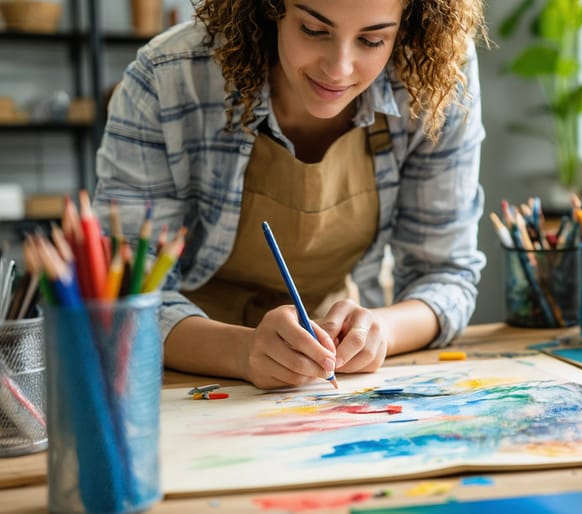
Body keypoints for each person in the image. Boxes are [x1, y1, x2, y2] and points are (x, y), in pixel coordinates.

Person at [93, 0, 488, 390]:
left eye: (372, 40)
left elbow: (445, 274)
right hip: (185, 371)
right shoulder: (169, 77)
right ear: (269, 8)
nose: (338, 69)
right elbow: (127, 298)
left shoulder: (432, 70)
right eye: (314, 30)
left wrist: (380, 330)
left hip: (330, 369)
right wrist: (240, 350)